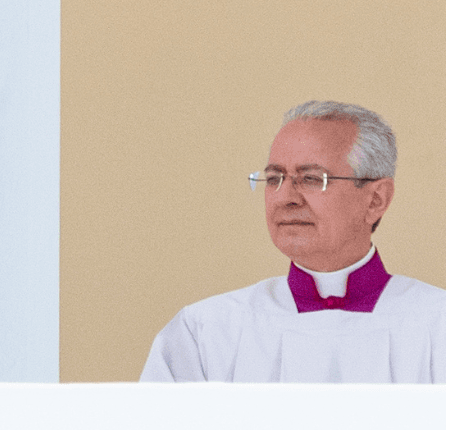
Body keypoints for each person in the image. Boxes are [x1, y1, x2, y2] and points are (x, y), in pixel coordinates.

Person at [141, 101, 444, 383]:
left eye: (312, 178)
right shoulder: (206, 332)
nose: (284, 198)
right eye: (274, 179)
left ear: (376, 199)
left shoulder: (439, 325)